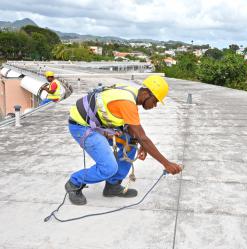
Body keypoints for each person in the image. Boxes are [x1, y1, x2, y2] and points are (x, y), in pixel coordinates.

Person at [65, 75, 183, 205]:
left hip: (97, 125)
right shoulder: (127, 102)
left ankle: (112, 185)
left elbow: (135, 132)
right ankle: (74, 183)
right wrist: (166, 164)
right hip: (81, 127)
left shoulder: (132, 94)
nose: (154, 105)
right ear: (145, 93)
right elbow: (142, 137)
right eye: (155, 101)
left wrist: (140, 142)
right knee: (108, 168)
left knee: (131, 143)